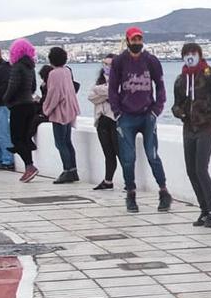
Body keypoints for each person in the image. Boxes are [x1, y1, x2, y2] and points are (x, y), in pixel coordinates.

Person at [105, 27, 173, 213]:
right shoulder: (119, 62)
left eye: (139, 39)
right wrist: (117, 112)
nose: (137, 43)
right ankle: (131, 194)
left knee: (152, 155)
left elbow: (160, 86)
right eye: (133, 40)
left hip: (147, 115)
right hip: (126, 117)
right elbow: (112, 89)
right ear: (127, 41)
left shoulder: (151, 61)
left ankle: (164, 191)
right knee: (128, 159)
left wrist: (156, 110)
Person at [173, 42, 211, 225]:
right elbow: (177, 103)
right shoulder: (180, 80)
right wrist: (179, 111)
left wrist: (204, 106)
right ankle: (204, 209)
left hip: (207, 126)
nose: (190, 56)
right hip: (188, 128)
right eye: (186, 54)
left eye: (193, 53)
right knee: (191, 170)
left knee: (201, 169)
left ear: (199, 54)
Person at [41, 46, 81, 183]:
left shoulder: (53, 74)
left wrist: (46, 109)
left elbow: (54, 94)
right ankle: (73, 170)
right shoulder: (67, 71)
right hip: (70, 109)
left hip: (60, 111)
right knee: (68, 142)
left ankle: (67, 170)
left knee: (60, 143)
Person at [5, 38, 41, 182]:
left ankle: (30, 166)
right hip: (29, 105)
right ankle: (28, 168)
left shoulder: (17, 67)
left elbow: (12, 87)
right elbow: (33, 87)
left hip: (18, 106)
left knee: (16, 139)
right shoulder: (30, 67)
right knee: (25, 138)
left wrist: (6, 100)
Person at [88, 56, 121, 190]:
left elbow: (117, 93)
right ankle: (108, 181)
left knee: (120, 152)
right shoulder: (100, 81)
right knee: (108, 153)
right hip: (101, 120)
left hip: (115, 120)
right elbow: (91, 96)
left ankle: (129, 181)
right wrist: (107, 93)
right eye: (105, 64)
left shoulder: (121, 80)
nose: (107, 67)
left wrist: (101, 91)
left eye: (110, 64)